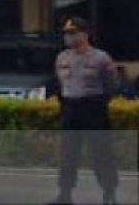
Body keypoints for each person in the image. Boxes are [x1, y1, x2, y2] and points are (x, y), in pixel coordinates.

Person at [50, 17, 119, 205]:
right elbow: (60, 83)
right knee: (68, 153)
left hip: (93, 108)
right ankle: (65, 194)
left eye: (73, 33)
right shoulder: (62, 57)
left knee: (101, 151)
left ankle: (109, 193)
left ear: (85, 34)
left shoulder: (101, 58)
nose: (69, 38)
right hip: (70, 108)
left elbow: (112, 85)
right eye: (66, 34)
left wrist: (98, 102)